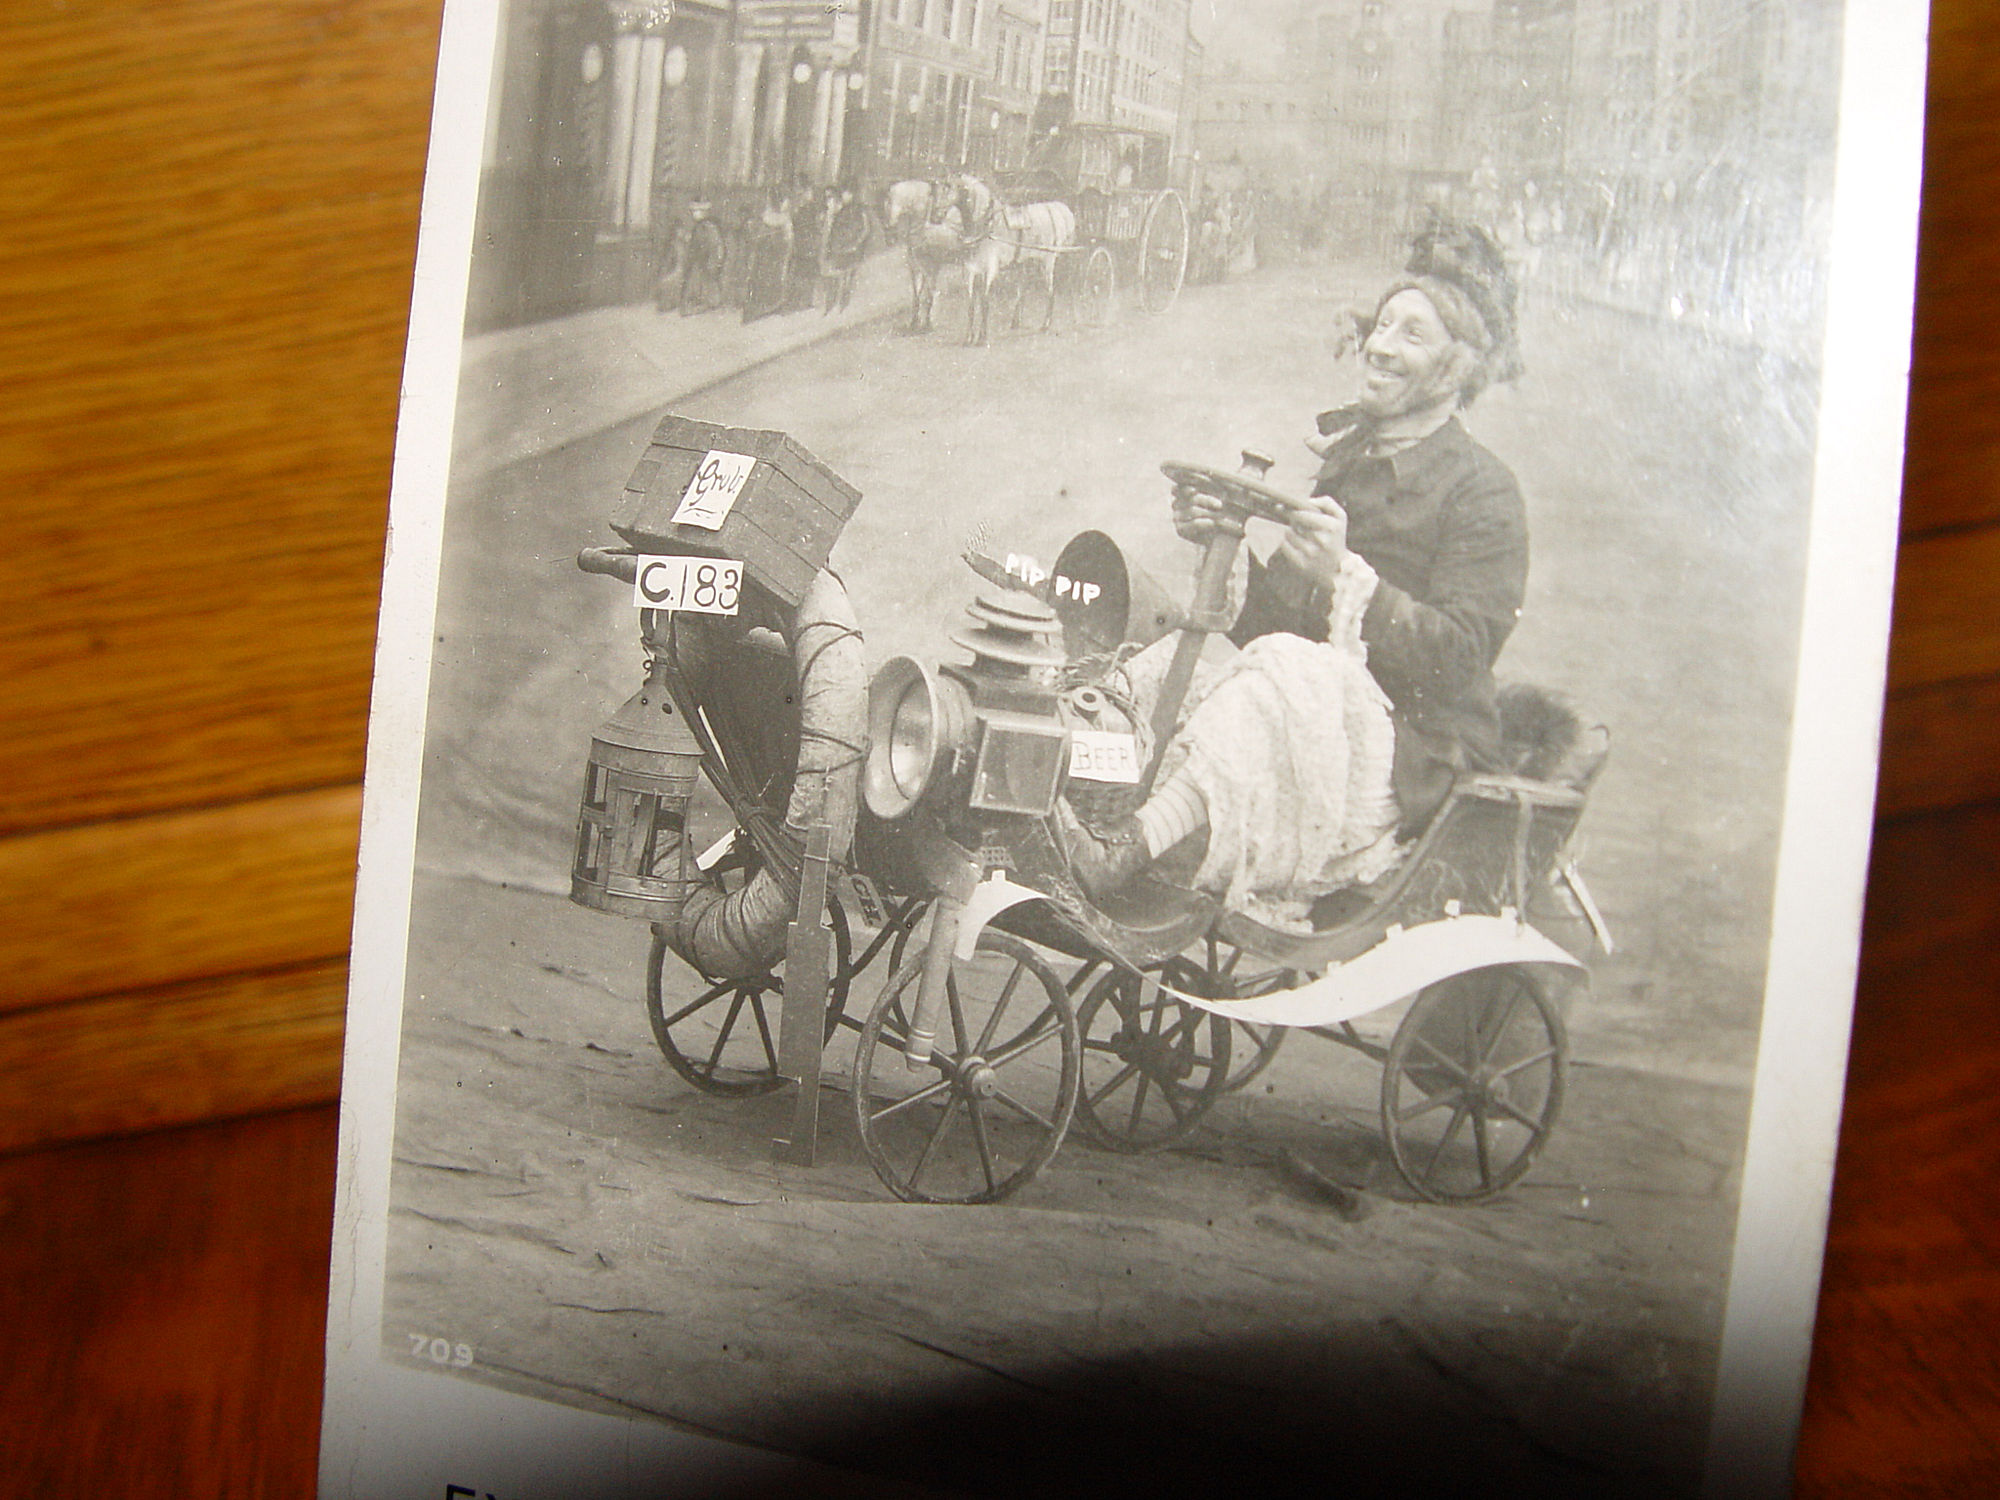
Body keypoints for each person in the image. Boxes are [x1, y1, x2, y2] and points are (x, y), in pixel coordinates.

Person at [1060, 219, 1529, 920]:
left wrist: (1346, 579)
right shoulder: (1351, 467)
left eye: (1412, 335)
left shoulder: (1484, 492)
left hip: (1408, 764)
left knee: (1287, 669)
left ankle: (1123, 849)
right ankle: (1070, 799)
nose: (1379, 346)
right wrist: (1219, 543)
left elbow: (1461, 657)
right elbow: (1269, 631)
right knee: (1159, 663)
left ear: (1457, 368)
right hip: (1310, 723)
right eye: (1381, 325)